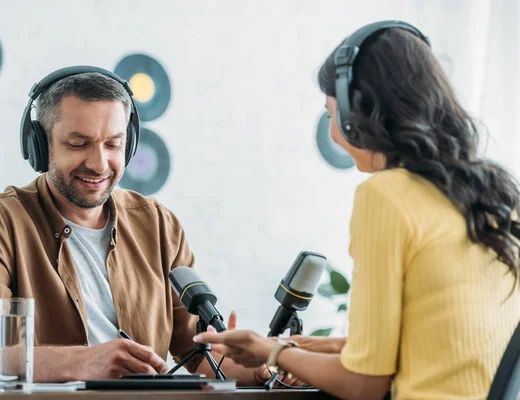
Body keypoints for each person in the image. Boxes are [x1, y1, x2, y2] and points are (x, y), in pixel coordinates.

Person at [193, 21, 520, 399]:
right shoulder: (496, 192)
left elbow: (364, 382)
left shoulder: (385, 195)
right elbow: (431, 345)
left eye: (331, 112)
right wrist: (305, 347)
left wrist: (271, 351)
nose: (334, 131)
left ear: (357, 112)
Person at [0, 66, 272, 388]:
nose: (99, 164)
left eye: (113, 144)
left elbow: (198, 355)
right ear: (40, 146)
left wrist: (264, 370)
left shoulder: (157, 223)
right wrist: (83, 362)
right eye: (78, 144)